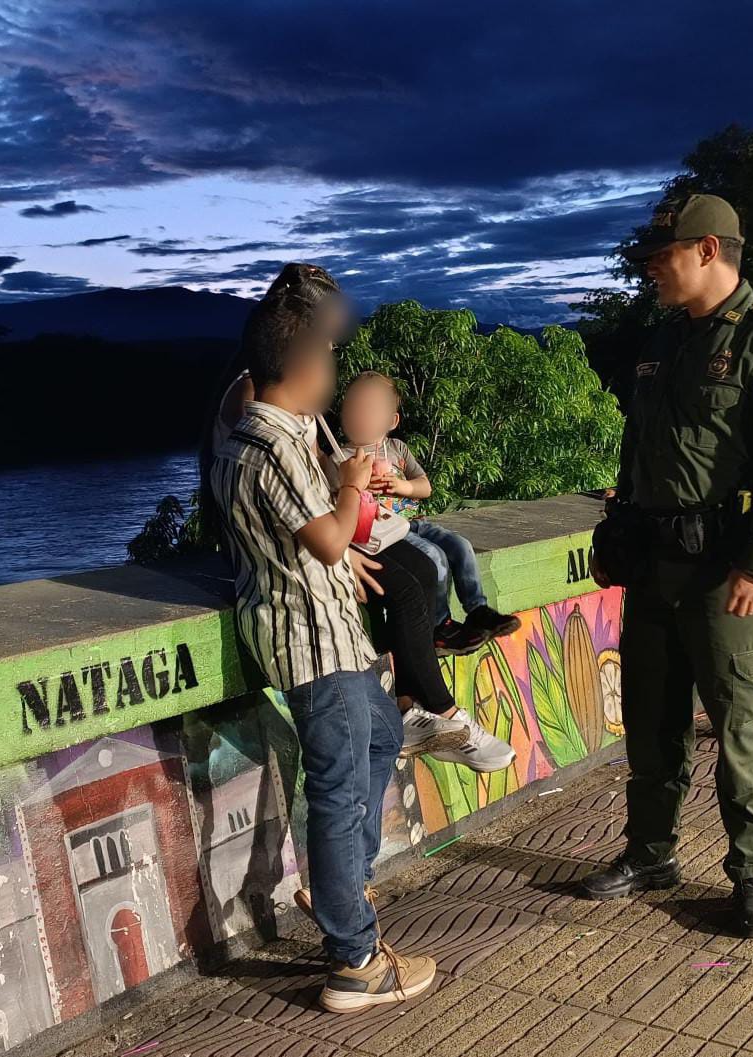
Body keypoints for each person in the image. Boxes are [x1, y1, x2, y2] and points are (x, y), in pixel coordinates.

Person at [582, 194, 753, 938]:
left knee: (739, 724)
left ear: (709, 251)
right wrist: (619, 525)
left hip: (727, 571)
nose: (652, 269)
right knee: (651, 725)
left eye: (664, 256)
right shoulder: (662, 340)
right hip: (655, 565)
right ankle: (651, 853)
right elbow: (640, 445)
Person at [209, 268, 435, 1013]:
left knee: (378, 741)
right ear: (304, 367)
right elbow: (334, 541)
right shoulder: (270, 443)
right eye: (330, 360)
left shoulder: (258, 432)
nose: (336, 374)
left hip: (334, 635)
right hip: (312, 641)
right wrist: (351, 479)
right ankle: (355, 960)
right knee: (337, 793)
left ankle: (341, 883)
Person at [211, 269, 514, 773]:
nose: (333, 343)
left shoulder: (293, 394)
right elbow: (263, 491)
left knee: (419, 570)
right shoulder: (255, 395)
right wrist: (338, 537)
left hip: (318, 535)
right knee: (404, 586)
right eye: (325, 332)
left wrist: (346, 530)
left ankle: (412, 704)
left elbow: (309, 480)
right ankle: (441, 712)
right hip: (282, 560)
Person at [332, 371, 522, 655]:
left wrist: (402, 486)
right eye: (353, 406)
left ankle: (478, 610)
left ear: (391, 420)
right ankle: (440, 626)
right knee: (434, 557)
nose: (360, 415)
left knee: (460, 545)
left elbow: (425, 487)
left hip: (411, 524)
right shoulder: (339, 457)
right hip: (382, 535)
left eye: (371, 408)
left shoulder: (397, 449)